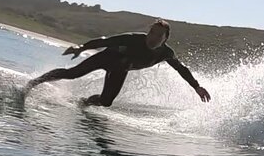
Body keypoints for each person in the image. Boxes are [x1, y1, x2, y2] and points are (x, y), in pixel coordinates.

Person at [23, 20, 212, 107]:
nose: (152, 37)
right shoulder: (133, 39)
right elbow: (106, 41)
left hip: (121, 69)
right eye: (151, 32)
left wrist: (197, 87)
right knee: (72, 73)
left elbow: (181, 69)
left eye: (158, 35)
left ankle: (85, 102)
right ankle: (33, 83)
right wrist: (82, 47)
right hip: (107, 58)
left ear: (165, 38)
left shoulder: (166, 53)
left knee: (106, 102)